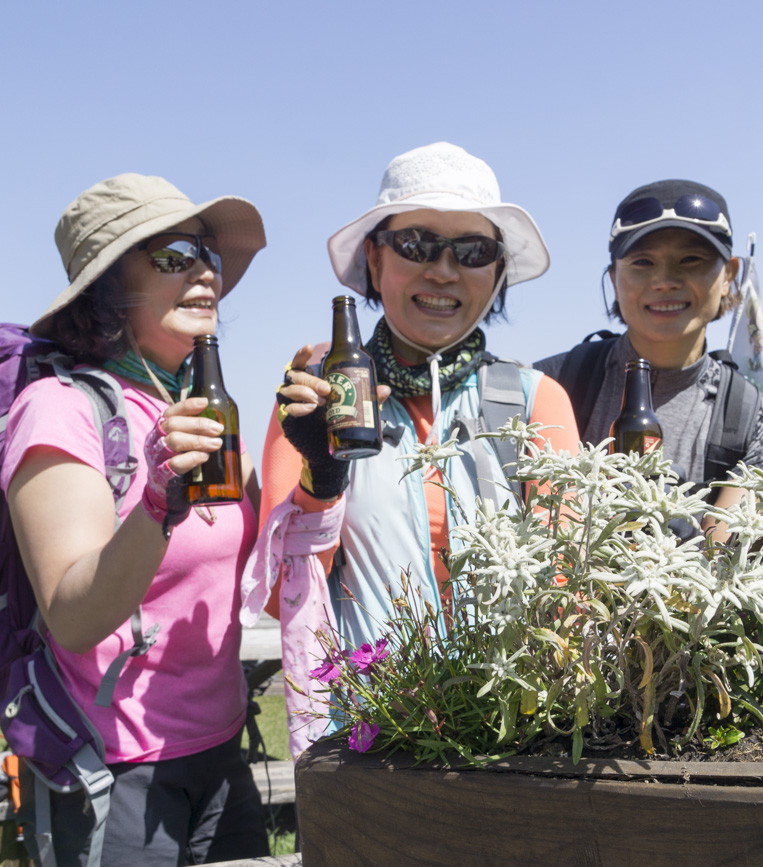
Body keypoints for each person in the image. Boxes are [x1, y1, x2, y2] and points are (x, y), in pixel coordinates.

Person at [246, 142, 582, 756]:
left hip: (514, 740)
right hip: (367, 742)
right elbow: (280, 595)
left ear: (497, 271)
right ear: (375, 259)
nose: (444, 270)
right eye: (416, 244)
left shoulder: (536, 400)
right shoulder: (315, 396)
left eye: (473, 251)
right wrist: (322, 477)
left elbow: (570, 586)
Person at [3, 173, 269, 864]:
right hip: (118, 766)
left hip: (222, 749)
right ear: (108, 287)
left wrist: (314, 464)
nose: (206, 271)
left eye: (208, 253)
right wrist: (155, 503)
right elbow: (74, 616)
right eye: (176, 254)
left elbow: (262, 572)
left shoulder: (200, 408)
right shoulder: (60, 409)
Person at [534, 179, 763, 520]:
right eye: (643, 262)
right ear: (613, 278)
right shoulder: (541, 387)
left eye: (691, 259)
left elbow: (728, 547)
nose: (665, 281)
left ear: (729, 275)